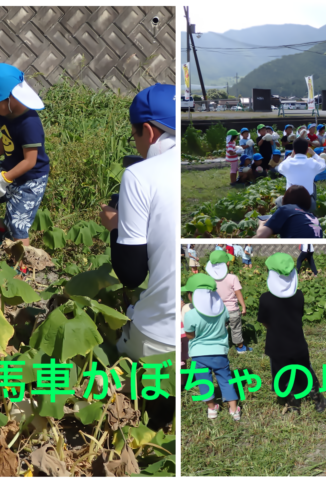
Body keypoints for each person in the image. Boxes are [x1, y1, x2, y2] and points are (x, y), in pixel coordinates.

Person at [99, 83, 176, 360]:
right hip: (198, 333)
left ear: (149, 131)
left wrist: (114, 226)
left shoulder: (139, 175)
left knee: (110, 359)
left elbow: (131, 276)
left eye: (135, 135)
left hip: (159, 336)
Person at [0, 64, 51, 252]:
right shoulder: (6, 113)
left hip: (30, 180)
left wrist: (2, 179)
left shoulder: (30, 124)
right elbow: (6, 138)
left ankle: (24, 266)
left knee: (18, 224)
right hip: (10, 169)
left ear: (10, 98)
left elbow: (30, 161)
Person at [257, 253, 326, 414]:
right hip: (298, 344)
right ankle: (319, 402)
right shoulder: (299, 295)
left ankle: (293, 406)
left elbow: (264, 322)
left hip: (276, 346)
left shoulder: (265, 299)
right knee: (306, 371)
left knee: (283, 375)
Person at [182, 273, 241, 421]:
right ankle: (234, 410)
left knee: (204, 381)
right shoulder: (223, 311)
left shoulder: (190, 315)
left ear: (191, 296)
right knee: (226, 380)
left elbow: (189, 335)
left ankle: (212, 409)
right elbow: (225, 323)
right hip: (219, 352)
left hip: (198, 354)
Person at [205, 250, 251, 354]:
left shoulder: (210, 279)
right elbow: (238, 293)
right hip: (232, 309)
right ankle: (240, 348)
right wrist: (243, 306)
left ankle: (220, 348)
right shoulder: (232, 277)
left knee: (220, 329)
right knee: (236, 328)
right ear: (227, 263)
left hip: (218, 310)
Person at [275, 138, 326, 213]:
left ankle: (285, 214)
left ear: (294, 151)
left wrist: (291, 156)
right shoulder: (312, 163)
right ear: (307, 151)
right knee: (313, 186)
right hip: (307, 203)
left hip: (290, 202)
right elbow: (323, 165)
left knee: (278, 200)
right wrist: (314, 154)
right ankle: (311, 210)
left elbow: (279, 167)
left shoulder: (287, 163)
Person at [255, 186, 323, 239]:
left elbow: (261, 236)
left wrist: (262, 223)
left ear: (285, 200)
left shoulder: (286, 209)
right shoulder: (313, 218)